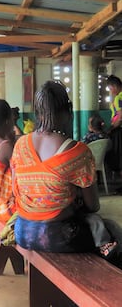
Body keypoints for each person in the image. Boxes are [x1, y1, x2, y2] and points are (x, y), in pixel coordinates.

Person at [11, 80, 119, 262]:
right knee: (113, 233)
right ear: (67, 111)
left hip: (23, 231)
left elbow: (17, 191)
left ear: (37, 112)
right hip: (60, 236)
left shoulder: (20, 144)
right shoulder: (76, 151)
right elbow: (93, 206)